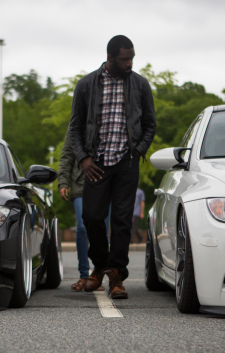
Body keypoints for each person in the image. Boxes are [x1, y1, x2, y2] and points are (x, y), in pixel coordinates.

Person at [68, 35, 156, 299]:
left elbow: (150, 124)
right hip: (96, 163)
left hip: (126, 162)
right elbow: (75, 127)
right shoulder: (86, 85)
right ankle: (100, 265)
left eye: (131, 58)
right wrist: (84, 158)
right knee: (91, 217)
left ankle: (117, 277)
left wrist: (138, 151)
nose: (129, 63)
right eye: (124, 59)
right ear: (110, 58)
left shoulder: (140, 85)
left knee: (121, 221)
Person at [58, 128, 111, 292]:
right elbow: (67, 155)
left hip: (105, 183)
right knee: (82, 227)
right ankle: (83, 274)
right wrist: (63, 181)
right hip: (81, 184)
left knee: (103, 230)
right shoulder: (75, 126)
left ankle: (97, 275)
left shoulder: (108, 118)